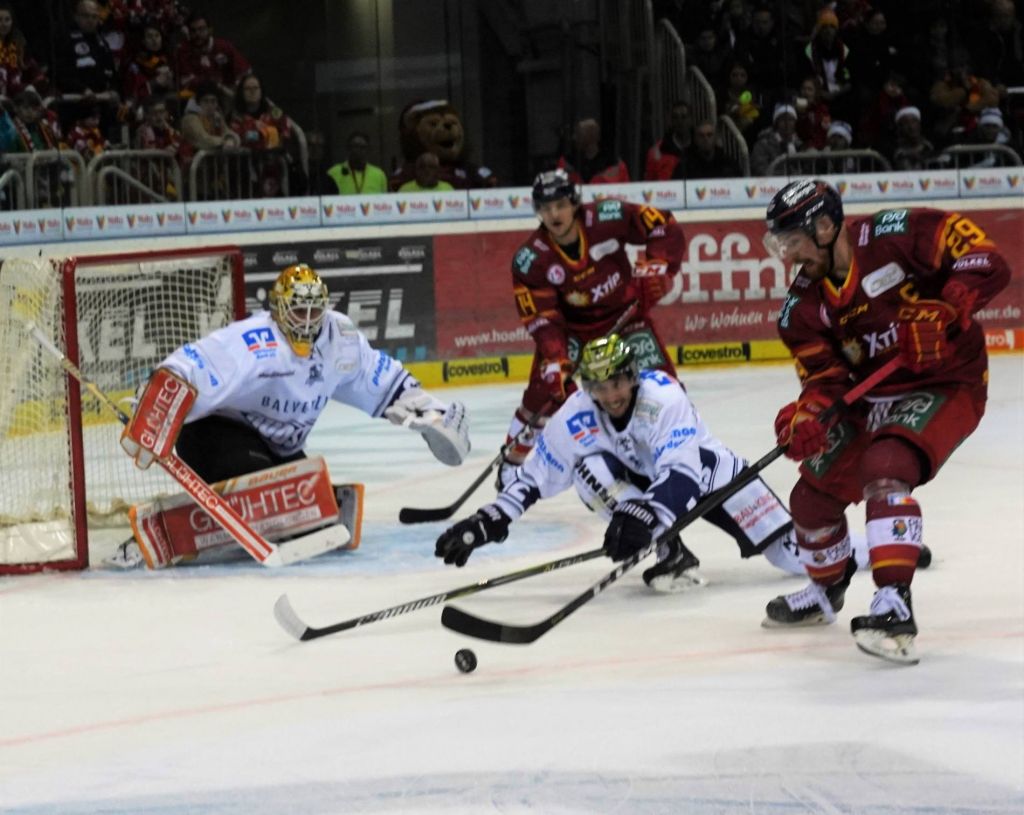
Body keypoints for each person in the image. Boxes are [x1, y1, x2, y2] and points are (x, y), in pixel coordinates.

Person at [761, 179, 1010, 663]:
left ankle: (895, 606)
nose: (788, 257)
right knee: (810, 499)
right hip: (869, 399)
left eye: (793, 241)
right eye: (781, 245)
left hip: (947, 383)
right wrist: (804, 418)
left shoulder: (898, 232)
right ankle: (825, 591)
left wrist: (947, 305)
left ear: (827, 225)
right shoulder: (801, 308)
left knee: (885, 465)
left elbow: (986, 258)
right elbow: (824, 379)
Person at [116, 264, 471, 566]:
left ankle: (273, 513)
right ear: (278, 308)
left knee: (313, 502)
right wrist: (152, 407)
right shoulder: (255, 341)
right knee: (278, 494)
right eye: (298, 311)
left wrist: (433, 415)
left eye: (314, 311)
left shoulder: (339, 339)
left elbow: (384, 382)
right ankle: (175, 529)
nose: (307, 320)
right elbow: (192, 364)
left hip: (275, 448)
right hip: (213, 434)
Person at [436, 334, 806, 590]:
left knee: (795, 559)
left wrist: (644, 516)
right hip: (651, 485)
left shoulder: (663, 396)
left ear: (632, 376)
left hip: (711, 475)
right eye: (599, 386)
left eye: (617, 383)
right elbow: (534, 477)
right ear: (588, 387)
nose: (610, 395)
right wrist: (489, 521)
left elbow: (683, 472)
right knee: (587, 471)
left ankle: (855, 551)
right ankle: (670, 551)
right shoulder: (575, 415)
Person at [498, 168, 683, 486]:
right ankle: (510, 463)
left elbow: (661, 224)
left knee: (662, 384)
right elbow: (542, 318)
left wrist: (659, 266)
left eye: (559, 205)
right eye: (544, 208)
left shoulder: (608, 216)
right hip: (574, 332)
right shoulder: (530, 259)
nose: (553, 214)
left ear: (574, 203)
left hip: (627, 318)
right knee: (547, 390)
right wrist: (557, 358)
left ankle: (675, 454)